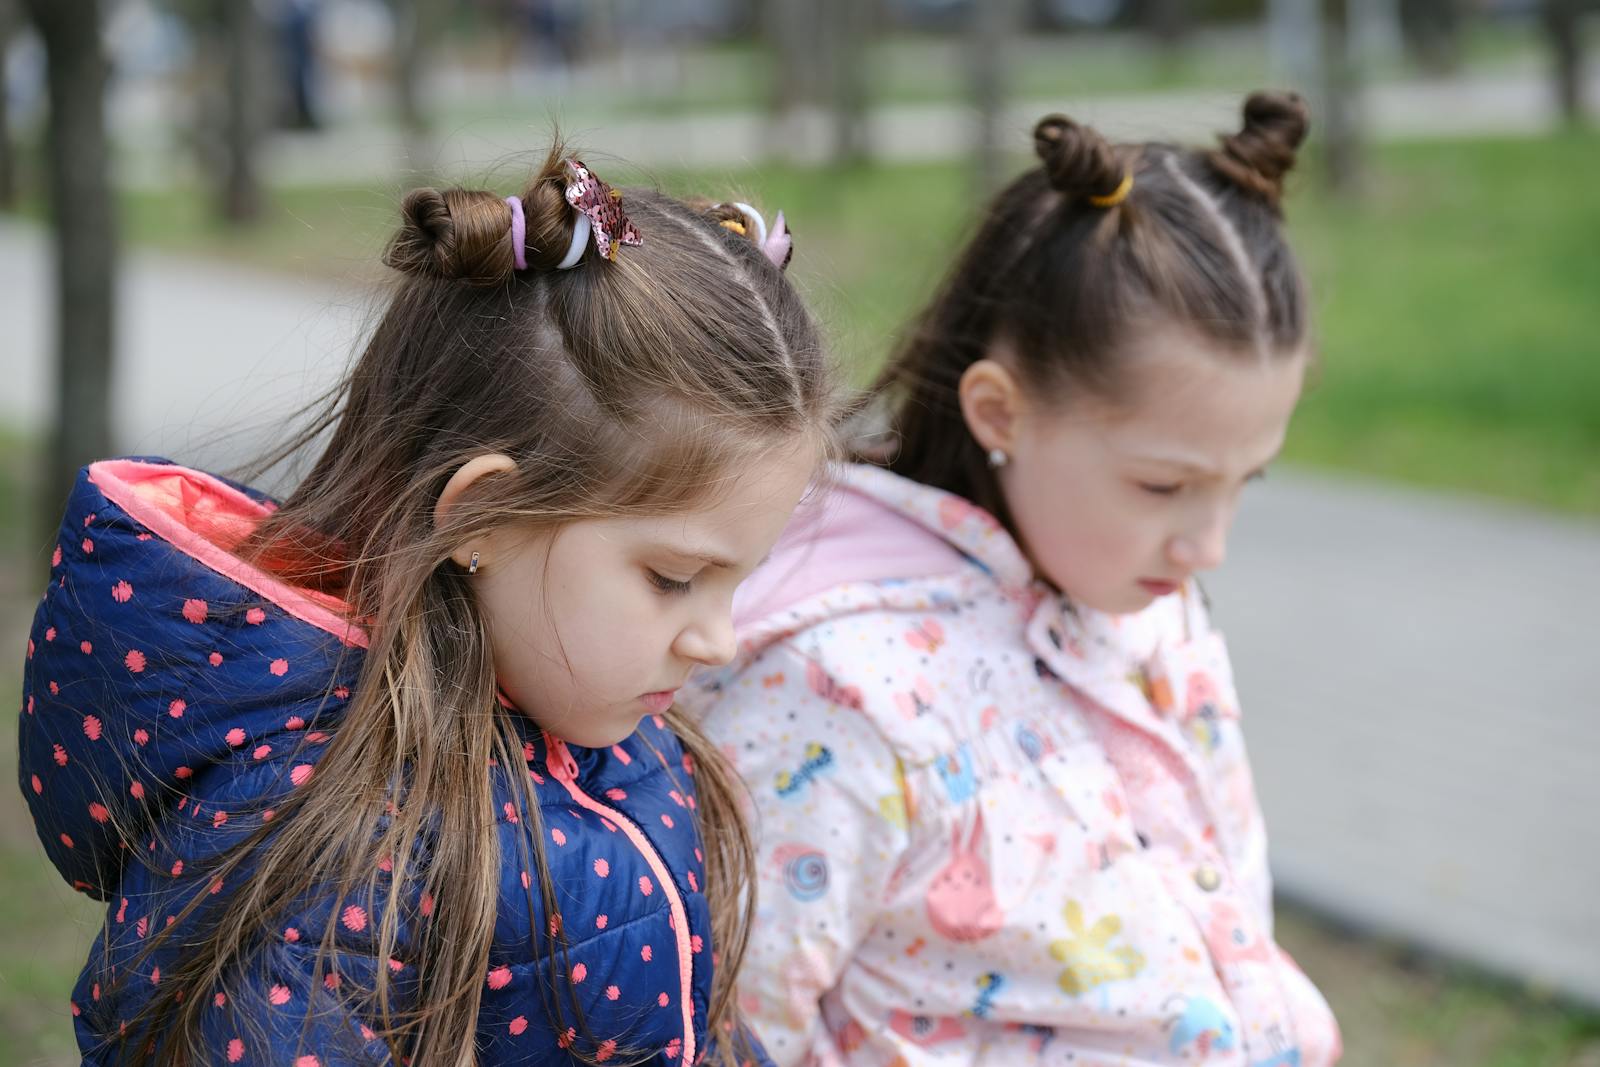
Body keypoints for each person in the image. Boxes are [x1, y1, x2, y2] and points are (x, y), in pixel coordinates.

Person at [19, 148, 828, 1065]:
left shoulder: (602, 739)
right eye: (674, 578)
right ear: (478, 515)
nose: (718, 640)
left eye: (741, 577)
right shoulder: (339, 847)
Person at [683, 92, 1343, 1065]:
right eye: (1163, 483)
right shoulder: (837, 687)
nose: (1208, 545)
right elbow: (733, 1028)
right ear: (999, 411)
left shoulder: (1145, 607)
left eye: (1244, 481)